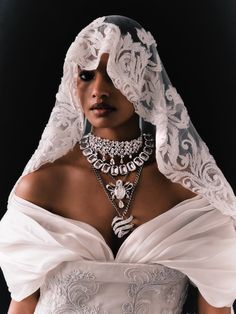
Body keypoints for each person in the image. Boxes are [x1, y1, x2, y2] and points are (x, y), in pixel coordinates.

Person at [0, 15, 236, 314]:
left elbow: (217, 307)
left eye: (115, 73)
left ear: (145, 79)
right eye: (86, 75)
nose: (99, 89)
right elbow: (23, 303)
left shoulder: (188, 192)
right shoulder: (42, 186)